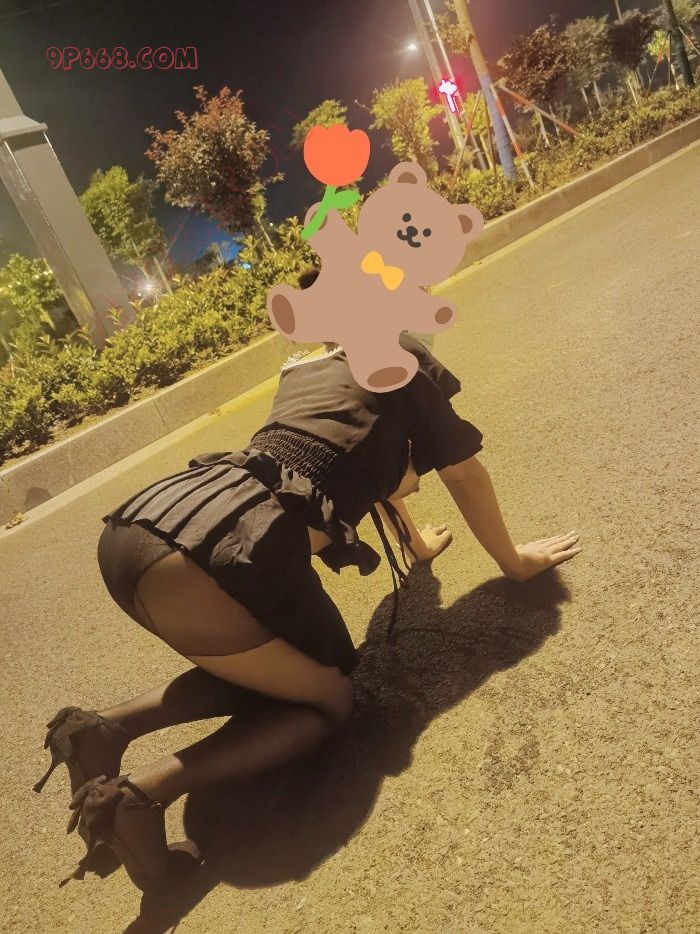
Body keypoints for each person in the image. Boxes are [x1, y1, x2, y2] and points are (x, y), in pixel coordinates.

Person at [33, 270, 581, 891]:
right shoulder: (400, 355)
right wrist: (514, 562)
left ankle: (100, 730)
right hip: (212, 560)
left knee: (271, 671)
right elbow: (462, 474)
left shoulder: (307, 370)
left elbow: (362, 466)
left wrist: (415, 546)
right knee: (328, 700)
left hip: (144, 526)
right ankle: (145, 794)